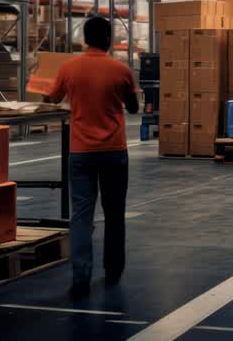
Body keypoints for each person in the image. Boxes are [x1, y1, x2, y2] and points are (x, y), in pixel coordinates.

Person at [48, 16, 140, 299]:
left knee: (81, 216)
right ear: (109, 39)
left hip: (80, 153)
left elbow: (52, 98)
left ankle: (81, 277)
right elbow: (134, 108)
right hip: (114, 152)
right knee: (114, 214)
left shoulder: (68, 68)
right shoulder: (121, 70)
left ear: (85, 39)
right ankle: (113, 271)